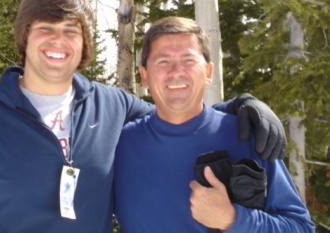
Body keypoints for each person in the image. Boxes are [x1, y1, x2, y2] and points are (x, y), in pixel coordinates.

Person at [0, 0, 286, 233]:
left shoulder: (113, 106)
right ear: (25, 37)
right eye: (45, 28)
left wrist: (240, 106)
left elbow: (176, 112)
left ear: (84, 44)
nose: (58, 40)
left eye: (71, 31)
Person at [114, 17, 314, 233]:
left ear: (208, 73)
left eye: (188, 60)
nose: (176, 71)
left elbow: (300, 227)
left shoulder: (247, 135)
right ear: (144, 76)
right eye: (163, 61)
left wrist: (234, 219)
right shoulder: (120, 145)